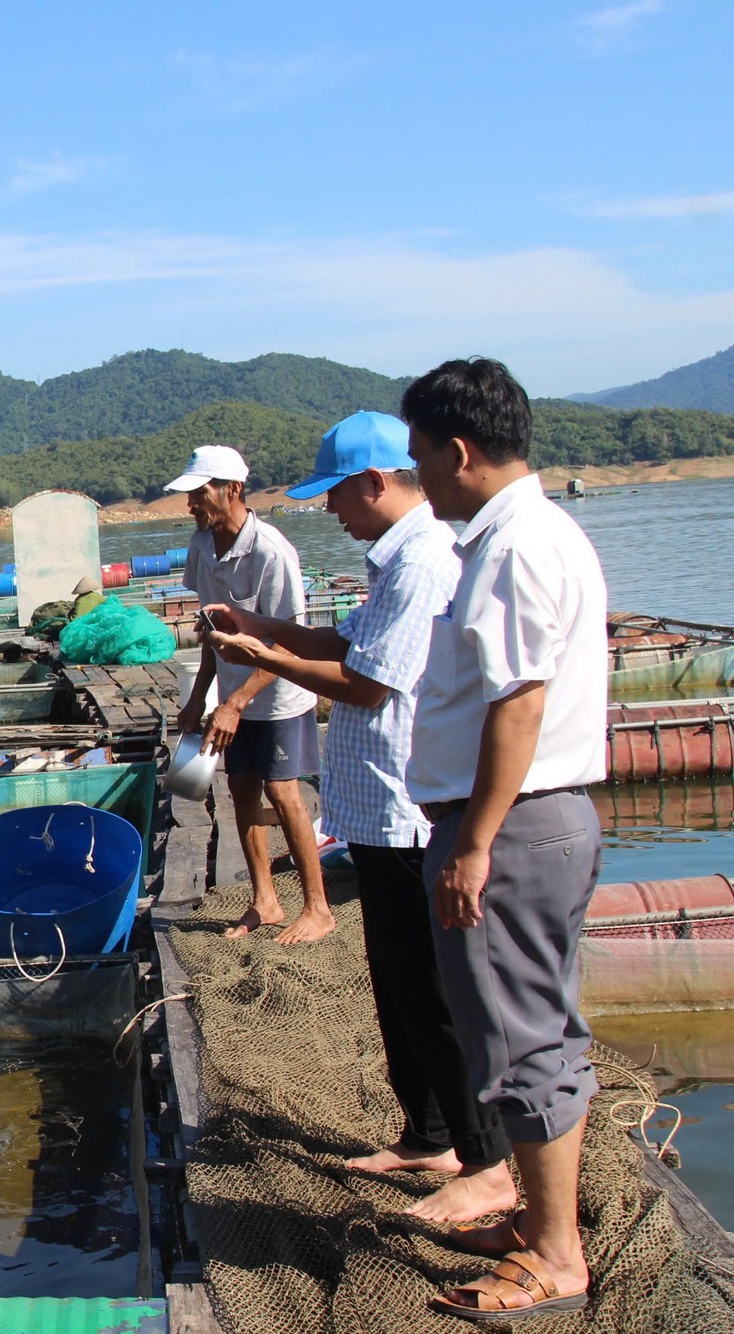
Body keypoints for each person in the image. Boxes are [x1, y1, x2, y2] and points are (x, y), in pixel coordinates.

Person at [200, 411, 514, 1223]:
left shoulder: (422, 563)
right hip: (375, 814)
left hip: (410, 811)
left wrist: (262, 661)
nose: (330, 511)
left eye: (336, 495)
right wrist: (260, 627)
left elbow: (372, 685)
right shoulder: (394, 562)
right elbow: (342, 642)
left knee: (435, 993)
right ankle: (427, 1132)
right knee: (397, 985)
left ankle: (482, 1158)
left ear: (374, 483)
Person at [403, 359, 607, 1321]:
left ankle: (557, 1254)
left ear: (459, 450)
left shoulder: (514, 545)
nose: (420, 480)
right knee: (534, 1025)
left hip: (514, 824)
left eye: (422, 460)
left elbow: (517, 705)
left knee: (524, 1040)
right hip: (529, 820)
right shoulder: (533, 532)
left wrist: (474, 841)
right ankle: (537, 1222)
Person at [167, 445, 331, 943]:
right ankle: (265, 900)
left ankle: (318, 906)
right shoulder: (202, 545)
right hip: (232, 699)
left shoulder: (271, 552)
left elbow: (285, 640)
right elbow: (212, 629)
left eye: (199, 494)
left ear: (231, 490)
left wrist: (235, 704)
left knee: (283, 794)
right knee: (240, 789)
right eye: (190, 496)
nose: (192, 504)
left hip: (278, 695)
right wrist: (200, 698)